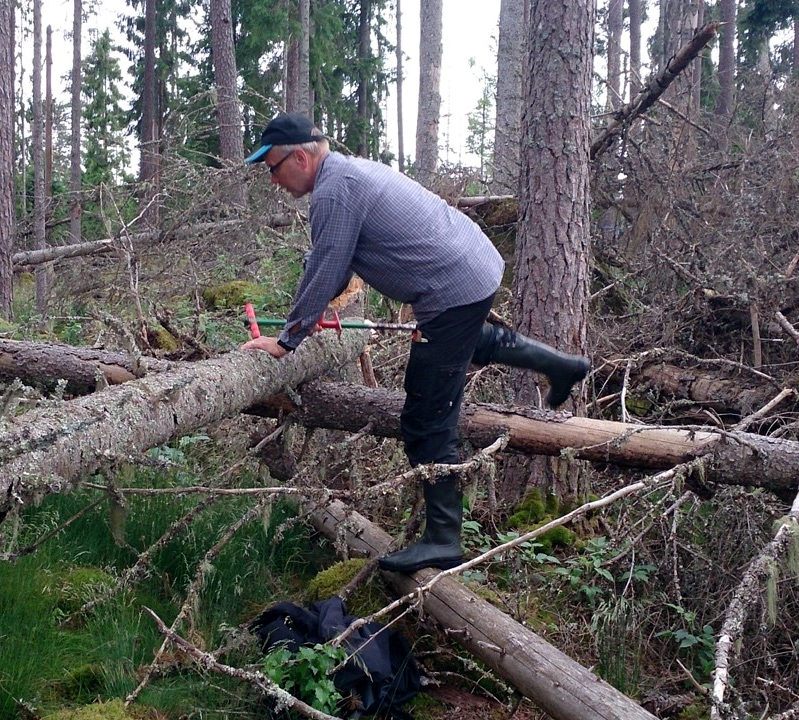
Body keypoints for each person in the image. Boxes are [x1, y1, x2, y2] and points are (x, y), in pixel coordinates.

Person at [240, 113, 590, 574]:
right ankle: (560, 366)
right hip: (473, 265)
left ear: (300, 157)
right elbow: (338, 263)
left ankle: (444, 538)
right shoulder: (345, 174)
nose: (273, 180)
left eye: (273, 168)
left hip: (453, 288)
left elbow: (327, 266)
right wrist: (314, 311)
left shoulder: (334, 189)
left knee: (426, 416)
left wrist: (286, 342)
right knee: (460, 344)